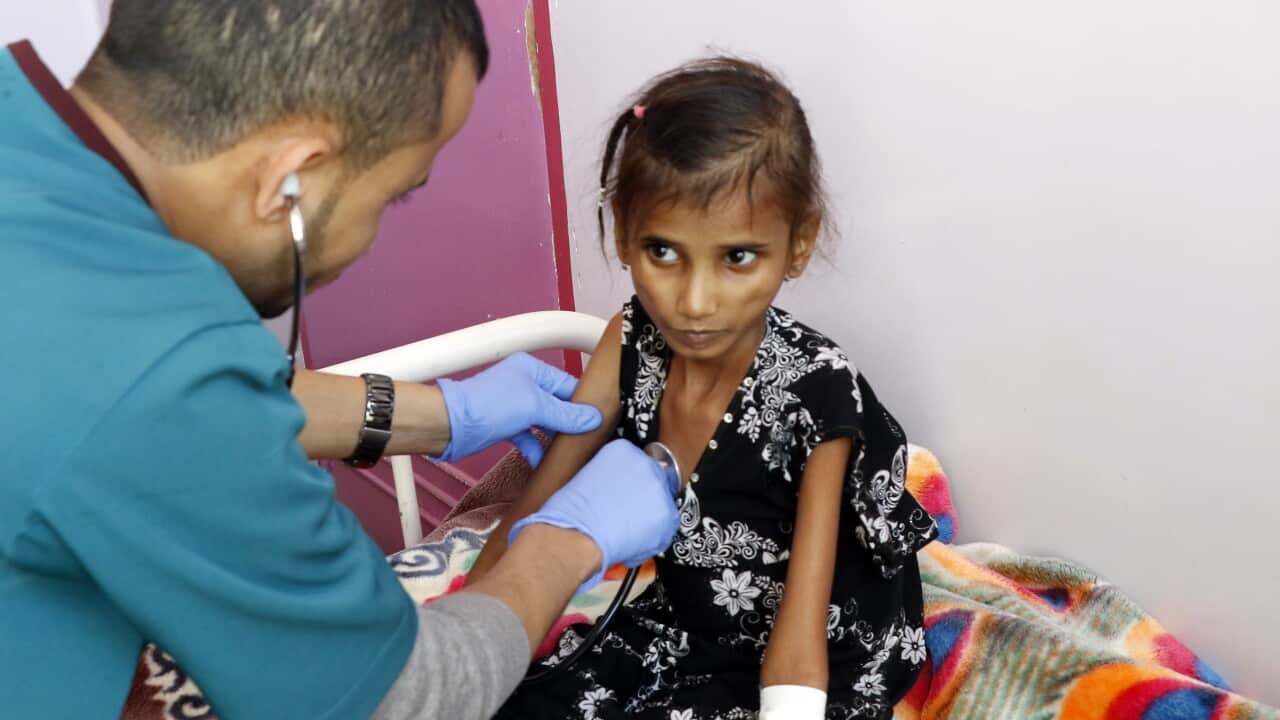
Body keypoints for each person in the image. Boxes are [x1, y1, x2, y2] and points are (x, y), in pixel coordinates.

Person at [0, 2, 678, 719]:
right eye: (394, 194)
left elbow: (108, 417)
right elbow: (406, 699)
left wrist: (438, 413)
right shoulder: (157, 370)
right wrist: (563, 546)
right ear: (289, 181)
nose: (374, 236)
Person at [468, 58, 939, 720]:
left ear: (798, 243)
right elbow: (535, 513)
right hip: (686, 624)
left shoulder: (820, 395)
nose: (692, 303)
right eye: (662, 251)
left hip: (816, 653)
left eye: (737, 257)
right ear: (624, 235)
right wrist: (460, 650)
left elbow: (803, 632)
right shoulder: (630, 339)